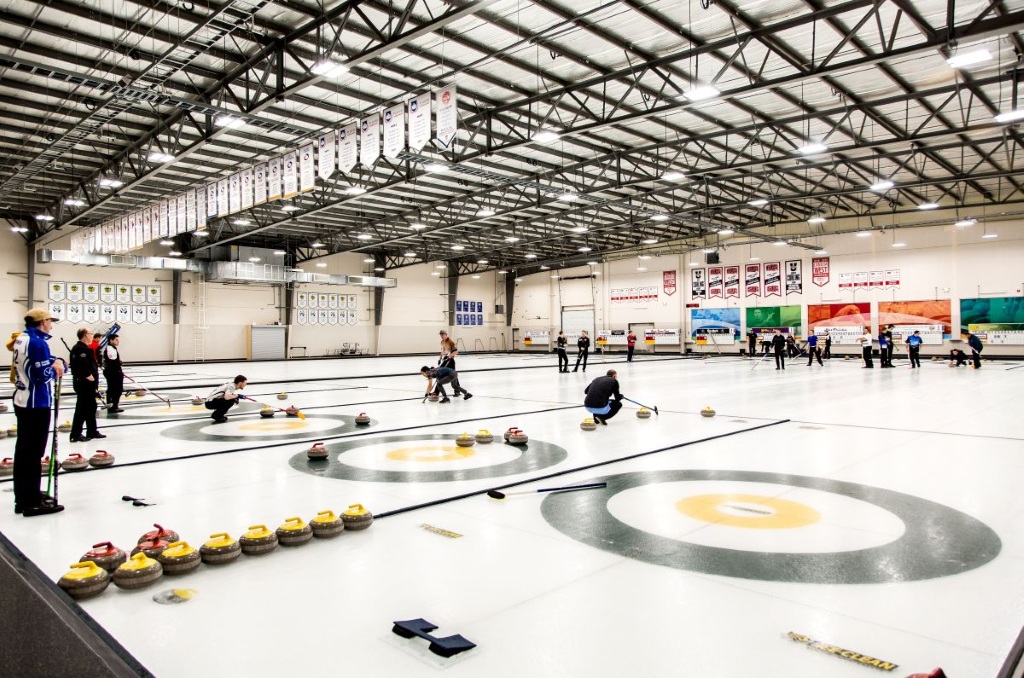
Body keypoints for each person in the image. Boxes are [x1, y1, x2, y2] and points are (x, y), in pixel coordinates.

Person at [11, 308, 66, 517]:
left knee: (24, 452)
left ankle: (25, 495)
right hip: (36, 404)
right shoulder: (38, 343)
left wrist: (55, 359)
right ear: (43, 322)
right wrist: (61, 366)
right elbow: (44, 375)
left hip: (22, 400)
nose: (51, 324)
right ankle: (30, 501)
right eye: (50, 321)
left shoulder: (23, 338)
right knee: (33, 454)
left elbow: (43, 360)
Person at [69, 328, 105, 443]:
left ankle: (92, 431)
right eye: (90, 334)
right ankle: (75, 433)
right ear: (85, 335)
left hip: (90, 384)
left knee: (91, 407)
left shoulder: (85, 348)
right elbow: (80, 366)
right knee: (82, 409)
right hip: (84, 383)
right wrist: (89, 375)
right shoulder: (79, 349)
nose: (92, 336)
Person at [438, 330, 471, 399]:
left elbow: (456, 351)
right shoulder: (442, 342)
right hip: (446, 360)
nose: (441, 336)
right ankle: (458, 390)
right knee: (447, 374)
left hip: (450, 360)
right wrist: (440, 358)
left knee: (452, 375)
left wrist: (449, 356)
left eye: (443, 334)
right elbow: (443, 350)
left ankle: (457, 391)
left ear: (446, 334)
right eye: (440, 335)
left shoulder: (450, 342)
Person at [103, 333, 125, 412]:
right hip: (113, 373)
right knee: (117, 390)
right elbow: (112, 362)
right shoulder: (110, 349)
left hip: (112, 372)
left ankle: (112, 406)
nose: (118, 341)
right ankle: (113, 406)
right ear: (111, 340)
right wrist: (119, 369)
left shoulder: (112, 348)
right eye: (116, 340)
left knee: (112, 389)